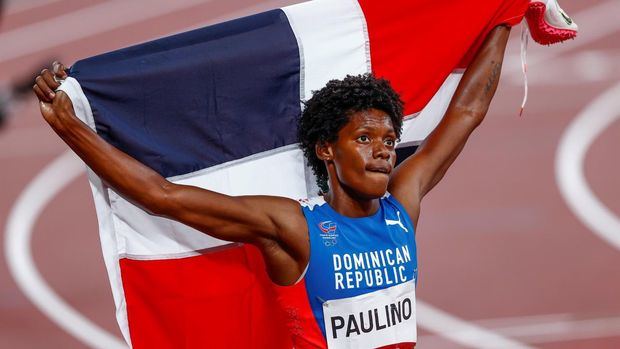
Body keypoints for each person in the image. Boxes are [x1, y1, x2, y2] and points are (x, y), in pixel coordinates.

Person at [34, 24, 510, 348]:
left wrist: (505, 18)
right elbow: (164, 197)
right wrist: (73, 128)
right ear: (327, 149)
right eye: (363, 138)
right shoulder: (294, 226)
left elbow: (466, 114)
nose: (383, 150)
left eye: (388, 139)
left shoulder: (401, 209)